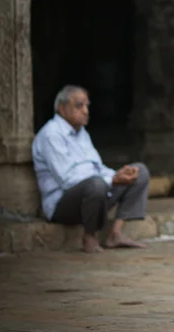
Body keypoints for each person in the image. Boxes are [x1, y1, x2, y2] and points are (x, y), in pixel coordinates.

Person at [32, 85, 150, 253]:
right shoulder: (51, 135)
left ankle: (115, 234)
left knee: (140, 171)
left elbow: (97, 167)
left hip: (94, 194)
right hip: (63, 204)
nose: (86, 111)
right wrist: (112, 180)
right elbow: (67, 180)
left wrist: (117, 175)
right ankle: (89, 237)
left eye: (87, 106)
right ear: (62, 108)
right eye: (79, 106)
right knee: (96, 185)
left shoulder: (81, 133)